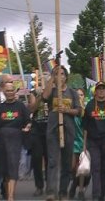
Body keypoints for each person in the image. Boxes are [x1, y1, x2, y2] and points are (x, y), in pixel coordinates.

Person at [0, 82, 31, 201]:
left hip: (15, 139)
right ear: (4, 92)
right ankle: (7, 193)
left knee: (13, 166)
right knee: (5, 168)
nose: (10, 93)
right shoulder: (0, 107)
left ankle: (11, 196)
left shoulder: (21, 105)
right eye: (8, 90)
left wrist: (27, 127)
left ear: (15, 92)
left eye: (12, 90)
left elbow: (28, 120)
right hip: (2, 140)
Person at [42, 65, 81, 200]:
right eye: (58, 74)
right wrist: (52, 78)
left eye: (63, 74)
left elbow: (78, 111)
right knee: (52, 161)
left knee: (66, 163)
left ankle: (63, 191)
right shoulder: (52, 91)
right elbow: (44, 96)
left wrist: (66, 110)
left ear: (66, 77)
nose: (60, 76)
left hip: (68, 130)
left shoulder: (72, 93)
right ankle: (51, 192)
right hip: (53, 131)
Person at [83, 81, 105, 201]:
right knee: (96, 167)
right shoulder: (90, 105)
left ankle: (102, 195)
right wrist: (84, 146)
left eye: (103, 88)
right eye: (99, 89)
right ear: (95, 91)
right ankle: (96, 195)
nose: (101, 91)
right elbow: (85, 127)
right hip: (93, 141)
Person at [69, 88, 90, 200]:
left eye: (81, 95)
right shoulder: (71, 109)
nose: (79, 97)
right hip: (72, 141)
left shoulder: (86, 111)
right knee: (73, 167)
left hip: (83, 141)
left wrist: (85, 144)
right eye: (77, 95)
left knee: (82, 168)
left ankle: (80, 189)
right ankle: (74, 184)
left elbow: (86, 129)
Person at [28, 87, 48, 197]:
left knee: (50, 159)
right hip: (36, 131)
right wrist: (40, 97)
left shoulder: (53, 92)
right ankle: (39, 186)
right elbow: (32, 109)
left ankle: (50, 184)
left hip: (49, 130)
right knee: (36, 158)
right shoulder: (34, 93)